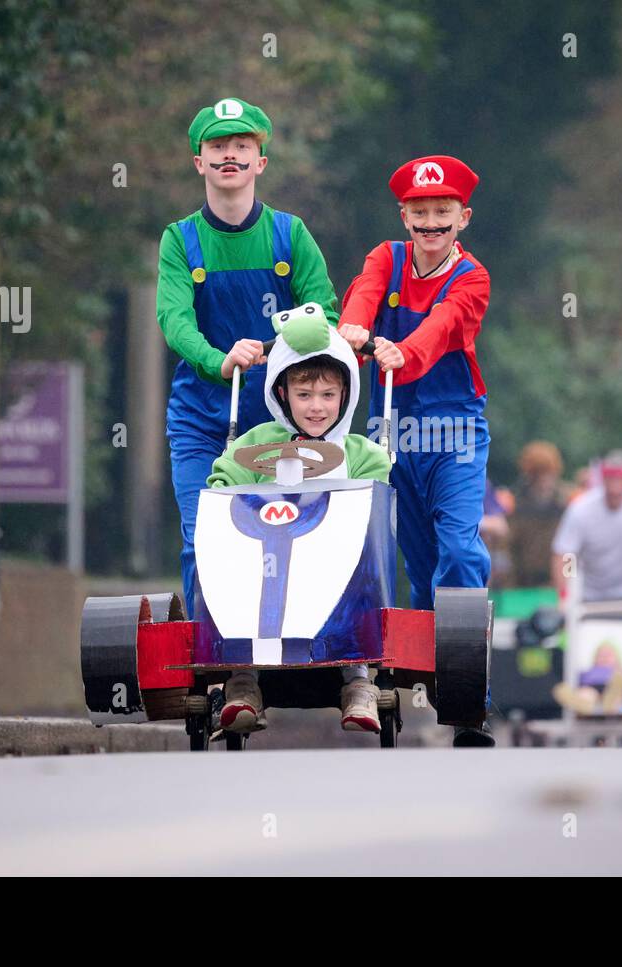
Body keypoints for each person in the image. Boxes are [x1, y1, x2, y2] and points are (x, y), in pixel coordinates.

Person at [156, 97, 339, 618]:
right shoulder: (180, 239)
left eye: (242, 146)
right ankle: (218, 667)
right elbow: (174, 319)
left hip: (282, 418)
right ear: (199, 162)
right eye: (217, 146)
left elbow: (323, 312)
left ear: (261, 161)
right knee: (202, 540)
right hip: (199, 416)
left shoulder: (290, 233)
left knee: (288, 541)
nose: (229, 155)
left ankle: (295, 649)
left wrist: (276, 347)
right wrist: (219, 359)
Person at [335, 155, 495, 746]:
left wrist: (405, 350)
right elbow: (365, 294)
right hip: (392, 433)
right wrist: (353, 326)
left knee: (459, 551)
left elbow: (446, 325)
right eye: (420, 212)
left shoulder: (471, 277)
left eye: (442, 213)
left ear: (463, 218)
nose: (430, 223)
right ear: (404, 215)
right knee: (415, 567)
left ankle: (469, 701)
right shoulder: (388, 256)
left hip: (453, 435)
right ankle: (420, 668)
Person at [206, 303, 391, 733]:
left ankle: (358, 682)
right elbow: (223, 483)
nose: (316, 408)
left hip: (335, 569)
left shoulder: (362, 453)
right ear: (282, 392)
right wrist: (231, 491)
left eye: (328, 395)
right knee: (235, 567)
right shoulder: (255, 443)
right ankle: (243, 683)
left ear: (345, 395)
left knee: (360, 570)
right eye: (304, 395)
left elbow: (375, 505)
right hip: (264, 563)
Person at [550, 450, 622, 605]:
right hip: (590, 595)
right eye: (611, 478)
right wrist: (566, 593)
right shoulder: (581, 509)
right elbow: (567, 554)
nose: (615, 486)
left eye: (620, 479)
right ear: (603, 478)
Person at [508, 441, 569, 588]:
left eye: (548, 472)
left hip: (555, 580)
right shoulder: (516, 504)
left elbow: (570, 552)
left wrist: (567, 581)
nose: (544, 479)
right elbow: (510, 549)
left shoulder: (566, 503)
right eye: (538, 473)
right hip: (523, 583)